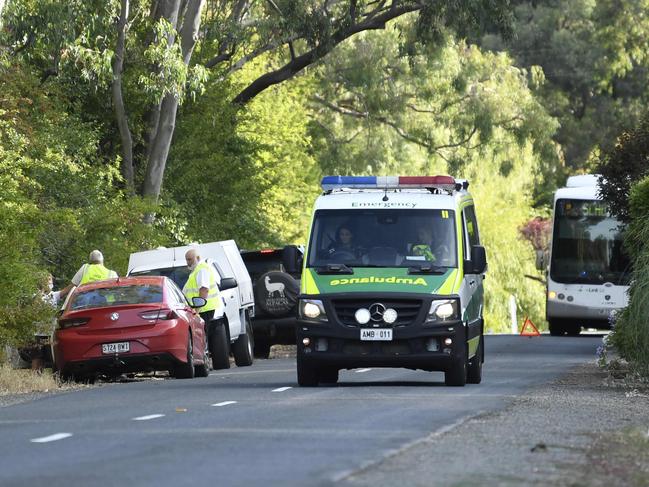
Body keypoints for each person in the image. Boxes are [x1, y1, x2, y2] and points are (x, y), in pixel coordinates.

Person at [182, 248, 224, 324]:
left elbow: (204, 290)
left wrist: (197, 311)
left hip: (203, 309)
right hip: (201, 309)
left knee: (204, 333)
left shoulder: (201, 269)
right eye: (187, 260)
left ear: (198, 258)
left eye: (190, 259)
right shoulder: (197, 269)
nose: (188, 262)